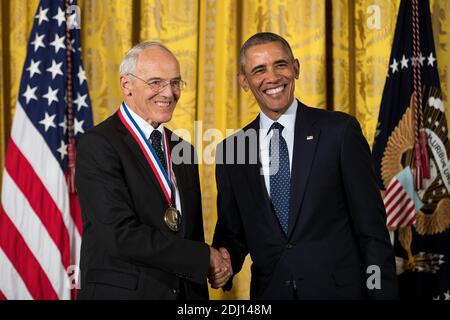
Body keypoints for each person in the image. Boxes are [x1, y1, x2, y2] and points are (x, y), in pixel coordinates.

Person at [211, 32, 398, 299]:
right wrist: (224, 260)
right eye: (259, 70)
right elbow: (233, 232)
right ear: (244, 81)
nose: (273, 77)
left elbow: (372, 232)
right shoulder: (232, 150)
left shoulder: (339, 132)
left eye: (281, 64)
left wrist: (381, 295)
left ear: (296, 68)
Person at [75, 41, 229, 300]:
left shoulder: (184, 150)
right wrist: (204, 257)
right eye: (156, 82)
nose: (169, 93)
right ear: (127, 85)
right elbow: (120, 235)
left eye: (176, 82)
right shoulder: (98, 144)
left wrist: (211, 268)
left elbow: (188, 233)